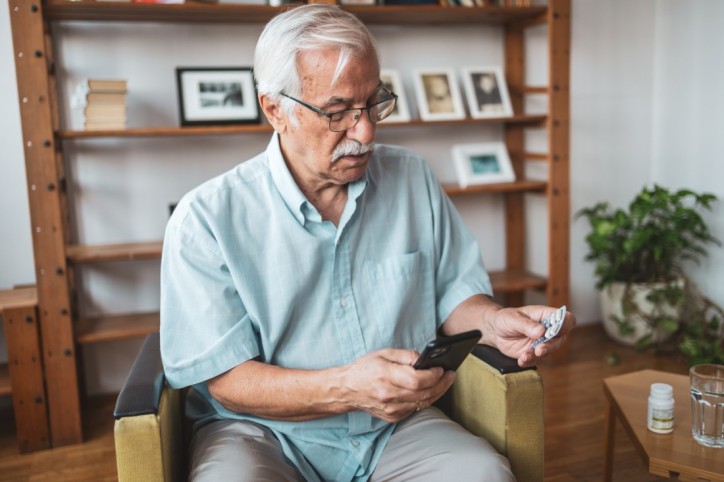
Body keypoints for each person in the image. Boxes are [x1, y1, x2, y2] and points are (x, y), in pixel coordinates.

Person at [160, 5, 575, 482]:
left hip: (394, 426)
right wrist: (348, 388)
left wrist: (494, 321)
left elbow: (453, 294)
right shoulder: (206, 218)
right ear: (275, 109)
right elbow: (228, 382)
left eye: (375, 104)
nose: (366, 131)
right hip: (262, 431)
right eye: (338, 112)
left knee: (484, 473)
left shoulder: (413, 178)